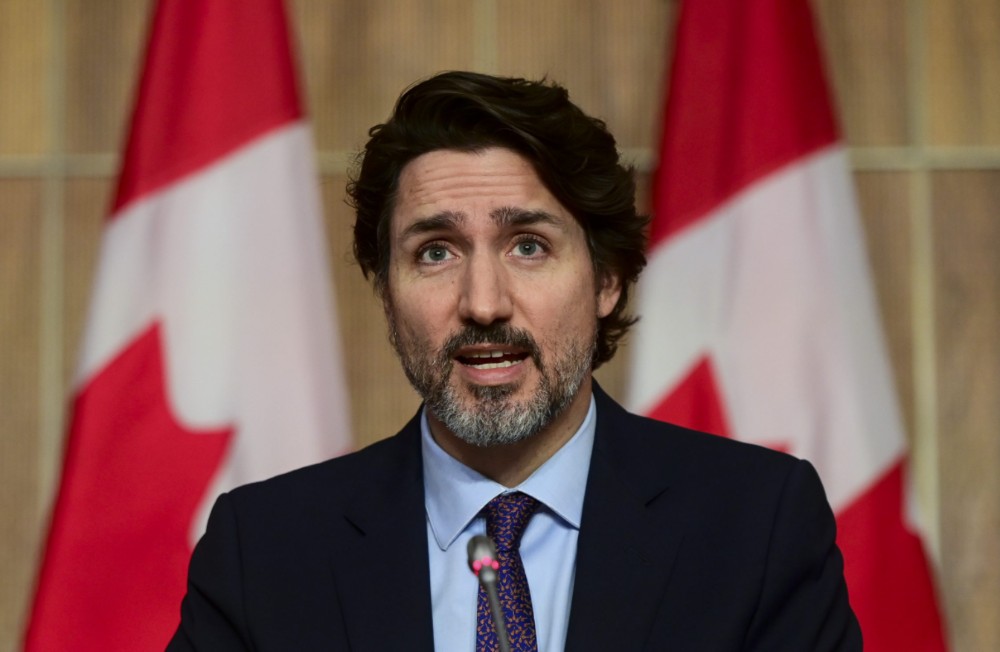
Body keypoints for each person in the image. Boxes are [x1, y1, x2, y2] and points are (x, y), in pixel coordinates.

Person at [168, 71, 861, 651]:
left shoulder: (756, 526)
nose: (483, 303)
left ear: (607, 279)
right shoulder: (264, 549)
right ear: (386, 293)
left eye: (528, 245)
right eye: (435, 252)